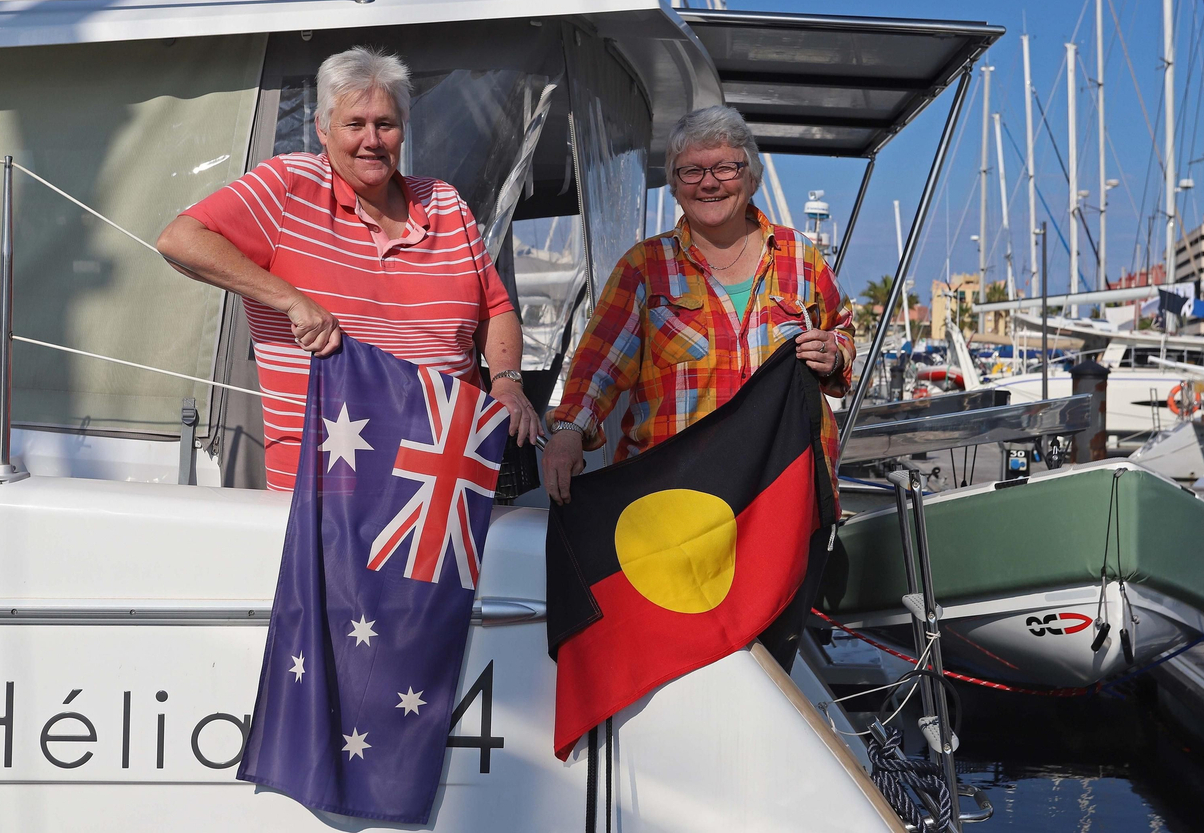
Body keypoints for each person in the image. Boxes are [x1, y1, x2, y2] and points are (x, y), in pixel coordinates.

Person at [158, 46, 542, 491]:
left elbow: (494, 309)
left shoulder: (446, 203)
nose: (372, 140)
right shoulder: (290, 186)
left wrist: (508, 382)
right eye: (354, 124)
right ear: (322, 128)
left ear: (403, 130)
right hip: (330, 493)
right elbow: (180, 240)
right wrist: (291, 300)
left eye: (386, 124)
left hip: (446, 485)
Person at [542, 105, 857, 504]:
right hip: (672, 497)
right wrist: (569, 433)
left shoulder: (800, 256)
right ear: (674, 185)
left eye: (726, 168)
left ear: (751, 176)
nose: (709, 183)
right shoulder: (644, 268)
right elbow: (598, 365)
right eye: (691, 171)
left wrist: (835, 354)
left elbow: (842, 329)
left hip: (785, 496)